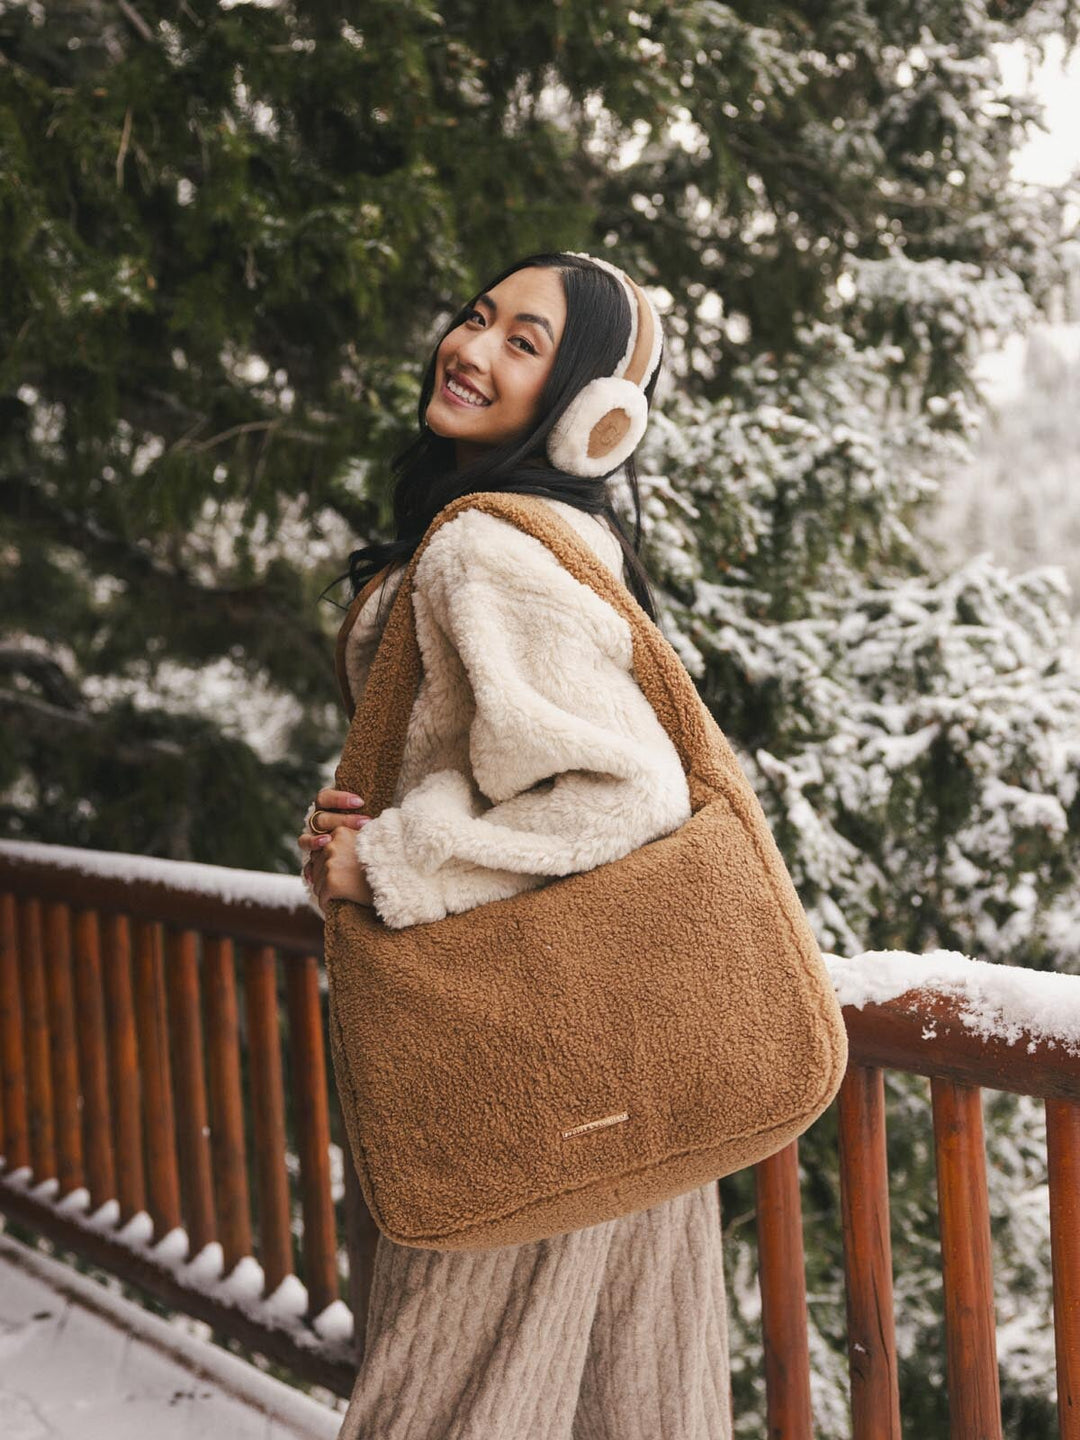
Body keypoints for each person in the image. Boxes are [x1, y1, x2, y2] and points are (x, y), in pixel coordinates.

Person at [298, 252, 733, 1440]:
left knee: (443, 1402)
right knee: (635, 1398)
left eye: (525, 342)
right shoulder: (526, 536)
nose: (473, 348)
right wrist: (373, 835)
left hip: (523, 1061)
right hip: (619, 1031)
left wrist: (400, 865)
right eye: (478, 317)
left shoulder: (486, 547)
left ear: (590, 412)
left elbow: (619, 788)